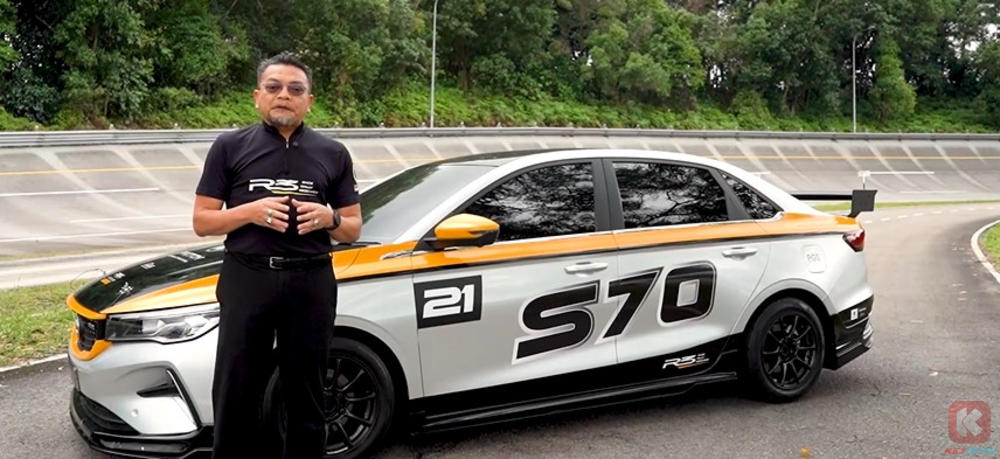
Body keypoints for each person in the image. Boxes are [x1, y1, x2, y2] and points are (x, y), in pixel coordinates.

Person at [192, 52, 361, 459]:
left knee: (307, 391)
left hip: (310, 280)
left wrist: (330, 217)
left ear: (309, 101)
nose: (284, 95)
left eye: (295, 89)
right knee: (235, 387)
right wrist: (249, 212)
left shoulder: (333, 153)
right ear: (257, 96)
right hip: (247, 277)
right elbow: (202, 221)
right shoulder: (230, 146)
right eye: (274, 87)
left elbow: (353, 228)